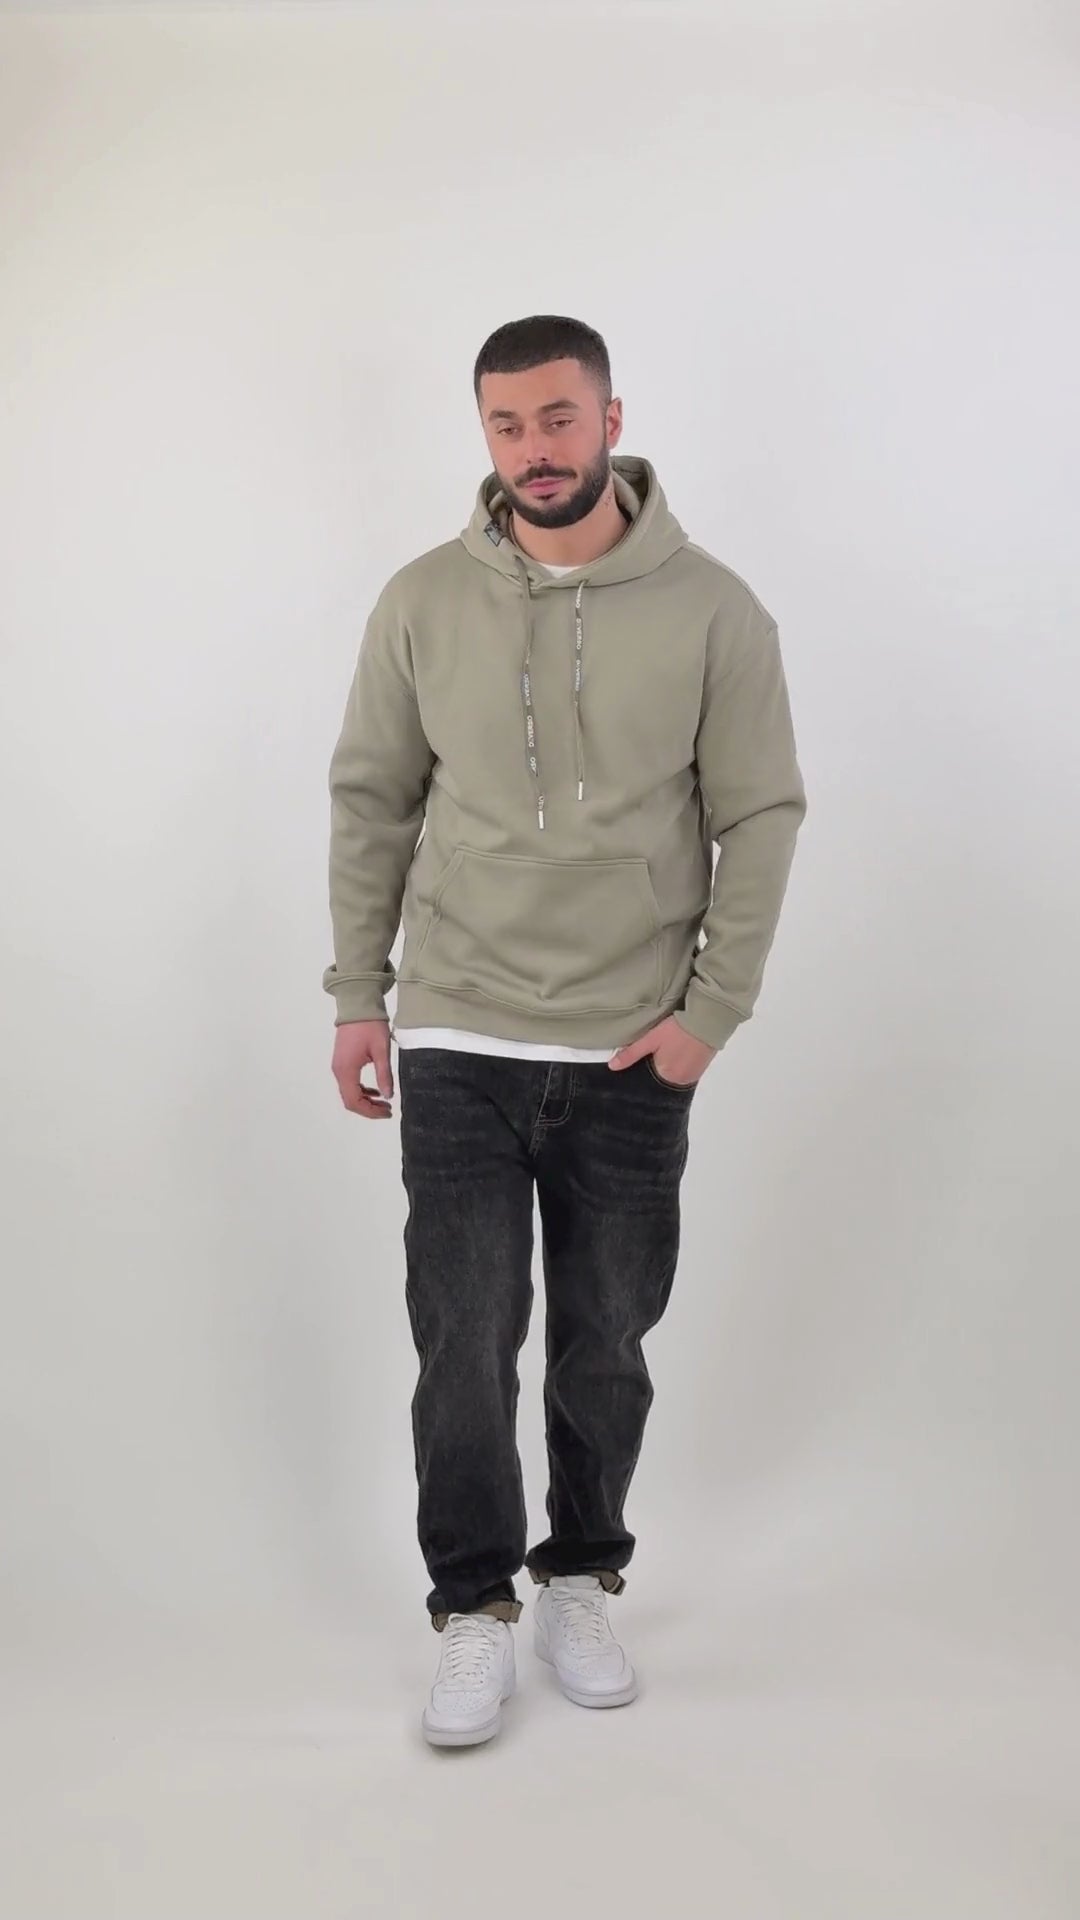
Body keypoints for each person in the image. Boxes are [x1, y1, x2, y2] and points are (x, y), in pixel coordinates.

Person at [323, 314, 806, 1748]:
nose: (534, 450)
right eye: (506, 424)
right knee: (464, 1341)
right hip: (460, 1032)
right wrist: (359, 994)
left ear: (610, 420)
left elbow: (760, 815)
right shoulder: (422, 601)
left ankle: (581, 1576)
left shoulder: (715, 610)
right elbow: (372, 802)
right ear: (485, 434)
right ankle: (472, 1607)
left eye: (556, 418)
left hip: (630, 1044)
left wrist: (710, 1015)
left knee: (605, 1343)